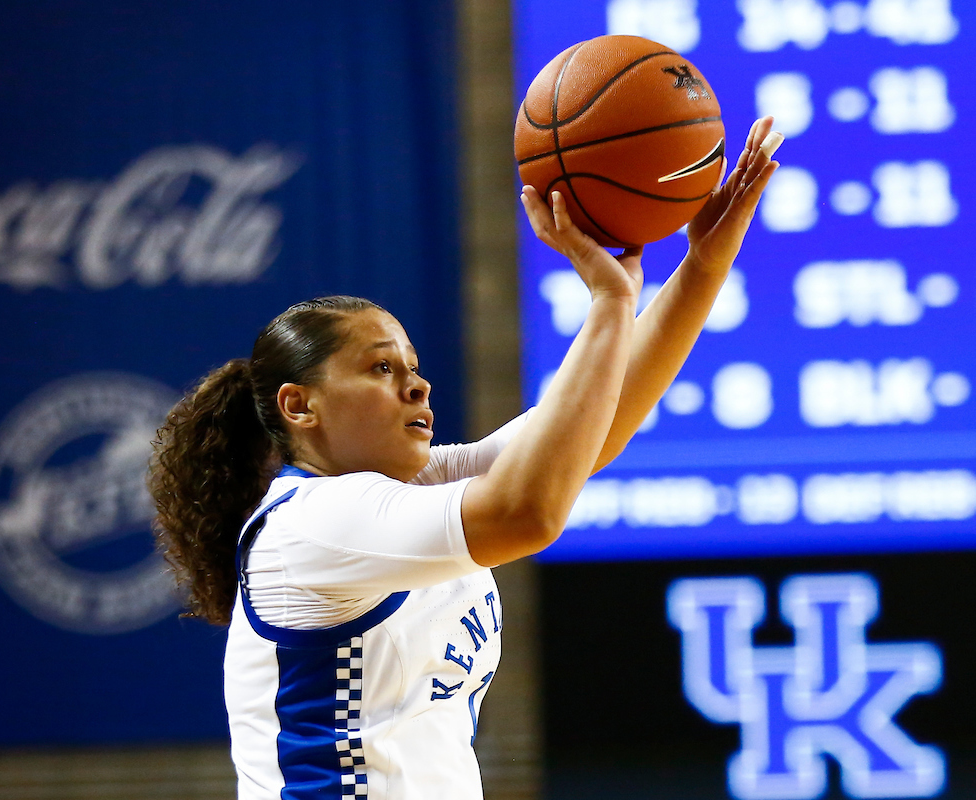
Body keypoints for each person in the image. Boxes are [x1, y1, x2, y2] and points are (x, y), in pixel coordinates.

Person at [148, 118, 782, 800]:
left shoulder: (408, 488)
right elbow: (528, 513)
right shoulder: (314, 522)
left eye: (413, 367)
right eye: (381, 368)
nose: (416, 385)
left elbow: (592, 429)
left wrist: (704, 265)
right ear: (300, 406)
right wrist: (608, 301)